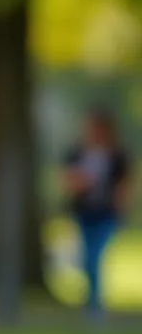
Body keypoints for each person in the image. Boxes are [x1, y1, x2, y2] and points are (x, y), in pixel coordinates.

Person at [62, 108, 131, 317]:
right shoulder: (77, 153)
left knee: (95, 256)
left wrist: (122, 211)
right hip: (84, 213)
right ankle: (92, 302)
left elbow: (123, 186)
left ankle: (94, 305)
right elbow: (68, 181)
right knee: (86, 257)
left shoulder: (116, 156)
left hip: (106, 214)